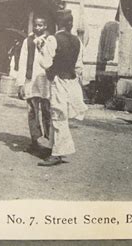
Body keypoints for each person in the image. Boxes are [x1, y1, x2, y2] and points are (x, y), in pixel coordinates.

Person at [36, 9, 87, 166]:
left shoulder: (53, 39)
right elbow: (79, 66)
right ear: (70, 24)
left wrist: (40, 50)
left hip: (59, 81)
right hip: (71, 81)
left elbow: (45, 62)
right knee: (59, 114)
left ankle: (58, 153)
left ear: (59, 23)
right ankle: (54, 147)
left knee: (58, 115)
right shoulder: (77, 41)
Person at [16, 16, 52, 152]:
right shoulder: (28, 41)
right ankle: (34, 140)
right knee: (32, 110)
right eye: (36, 25)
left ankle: (49, 141)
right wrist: (21, 83)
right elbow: (22, 61)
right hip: (31, 80)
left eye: (41, 25)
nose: (38, 28)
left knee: (47, 110)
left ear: (46, 26)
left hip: (45, 80)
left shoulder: (50, 40)